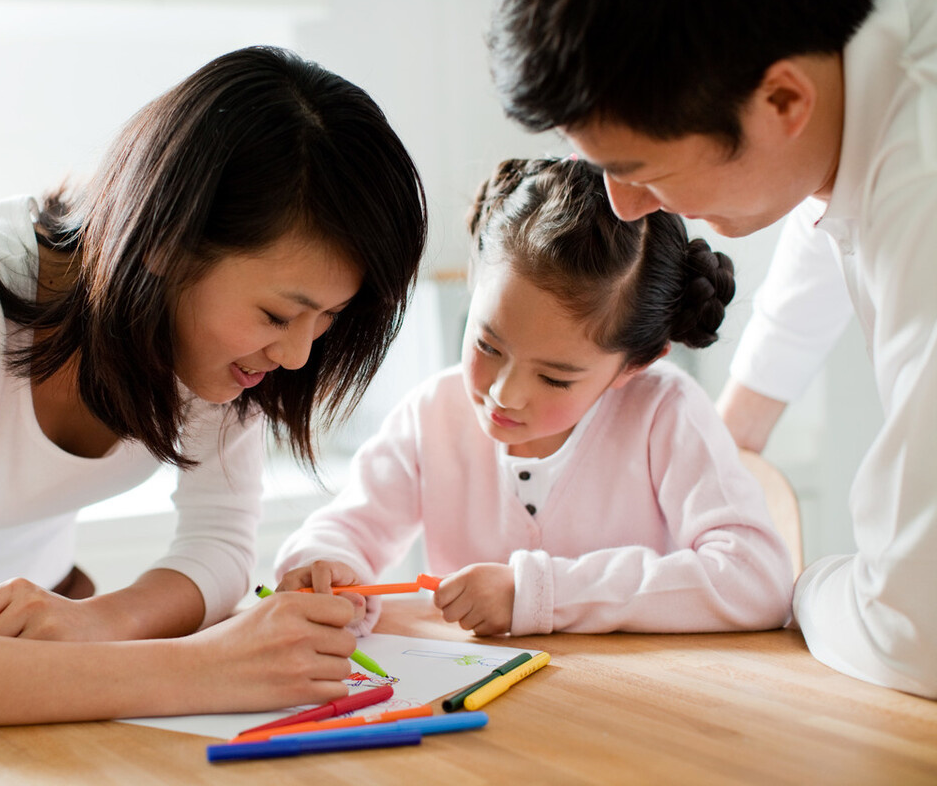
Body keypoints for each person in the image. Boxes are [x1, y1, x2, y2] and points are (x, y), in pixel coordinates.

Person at [0, 45, 427, 728]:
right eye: (277, 314)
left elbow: (221, 543)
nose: (296, 353)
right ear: (167, 242)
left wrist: (105, 620)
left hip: (39, 610)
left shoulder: (224, 351)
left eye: (328, 318)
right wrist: (205, 668)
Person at [485, 0, 937, 698]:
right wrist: (737, 435)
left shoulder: (925, 185)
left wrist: (805, 586)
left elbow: (915, 634)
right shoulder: (853, 84)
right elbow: (824, 222)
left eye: (640, 171)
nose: (623, 206)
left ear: (783, 101)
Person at [273, 157, 794, 638]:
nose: (504, 393)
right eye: (487, 345)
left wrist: (539, 595)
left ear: (634, 365)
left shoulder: (664, 413)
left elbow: (757, 579)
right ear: (476, 282)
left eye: (555, 379)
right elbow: (348, 528)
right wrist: (327, 561)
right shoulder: (434, 413)